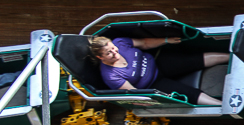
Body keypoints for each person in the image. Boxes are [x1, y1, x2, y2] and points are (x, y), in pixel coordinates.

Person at [88, 36, 228, 106]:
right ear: (100, 57)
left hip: (157, 63)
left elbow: (145, 43)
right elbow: (133, 92)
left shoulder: (120, 43)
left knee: (194, 60)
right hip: (153, 84)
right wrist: (156, 100)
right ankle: (221, 105)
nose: (114, 52)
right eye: (109, 53)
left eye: (113, 48)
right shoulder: (111, 76)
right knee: (187, 93)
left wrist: (166, 40)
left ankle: (232, 57)